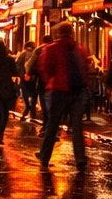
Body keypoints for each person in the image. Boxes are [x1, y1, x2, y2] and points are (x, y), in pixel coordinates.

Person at [36, 23, 91, 169]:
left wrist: (50, 81)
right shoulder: (79, 49)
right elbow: (86, 67)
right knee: (77, 126)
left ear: (58, 33)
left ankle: (45, 157)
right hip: (77, 91)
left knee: (53, 125)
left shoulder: (51, 48)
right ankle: (80, 158)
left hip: (59, 90)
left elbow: (44, 67)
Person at [18, 37, 42, 121]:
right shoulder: (37, 53)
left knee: (25, 93)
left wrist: (21, 75)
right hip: (34, 77)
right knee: (34, 94)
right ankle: (33, 111)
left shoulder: (23, 54)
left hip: (25, 77)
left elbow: (18, 65)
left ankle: (27, 107)